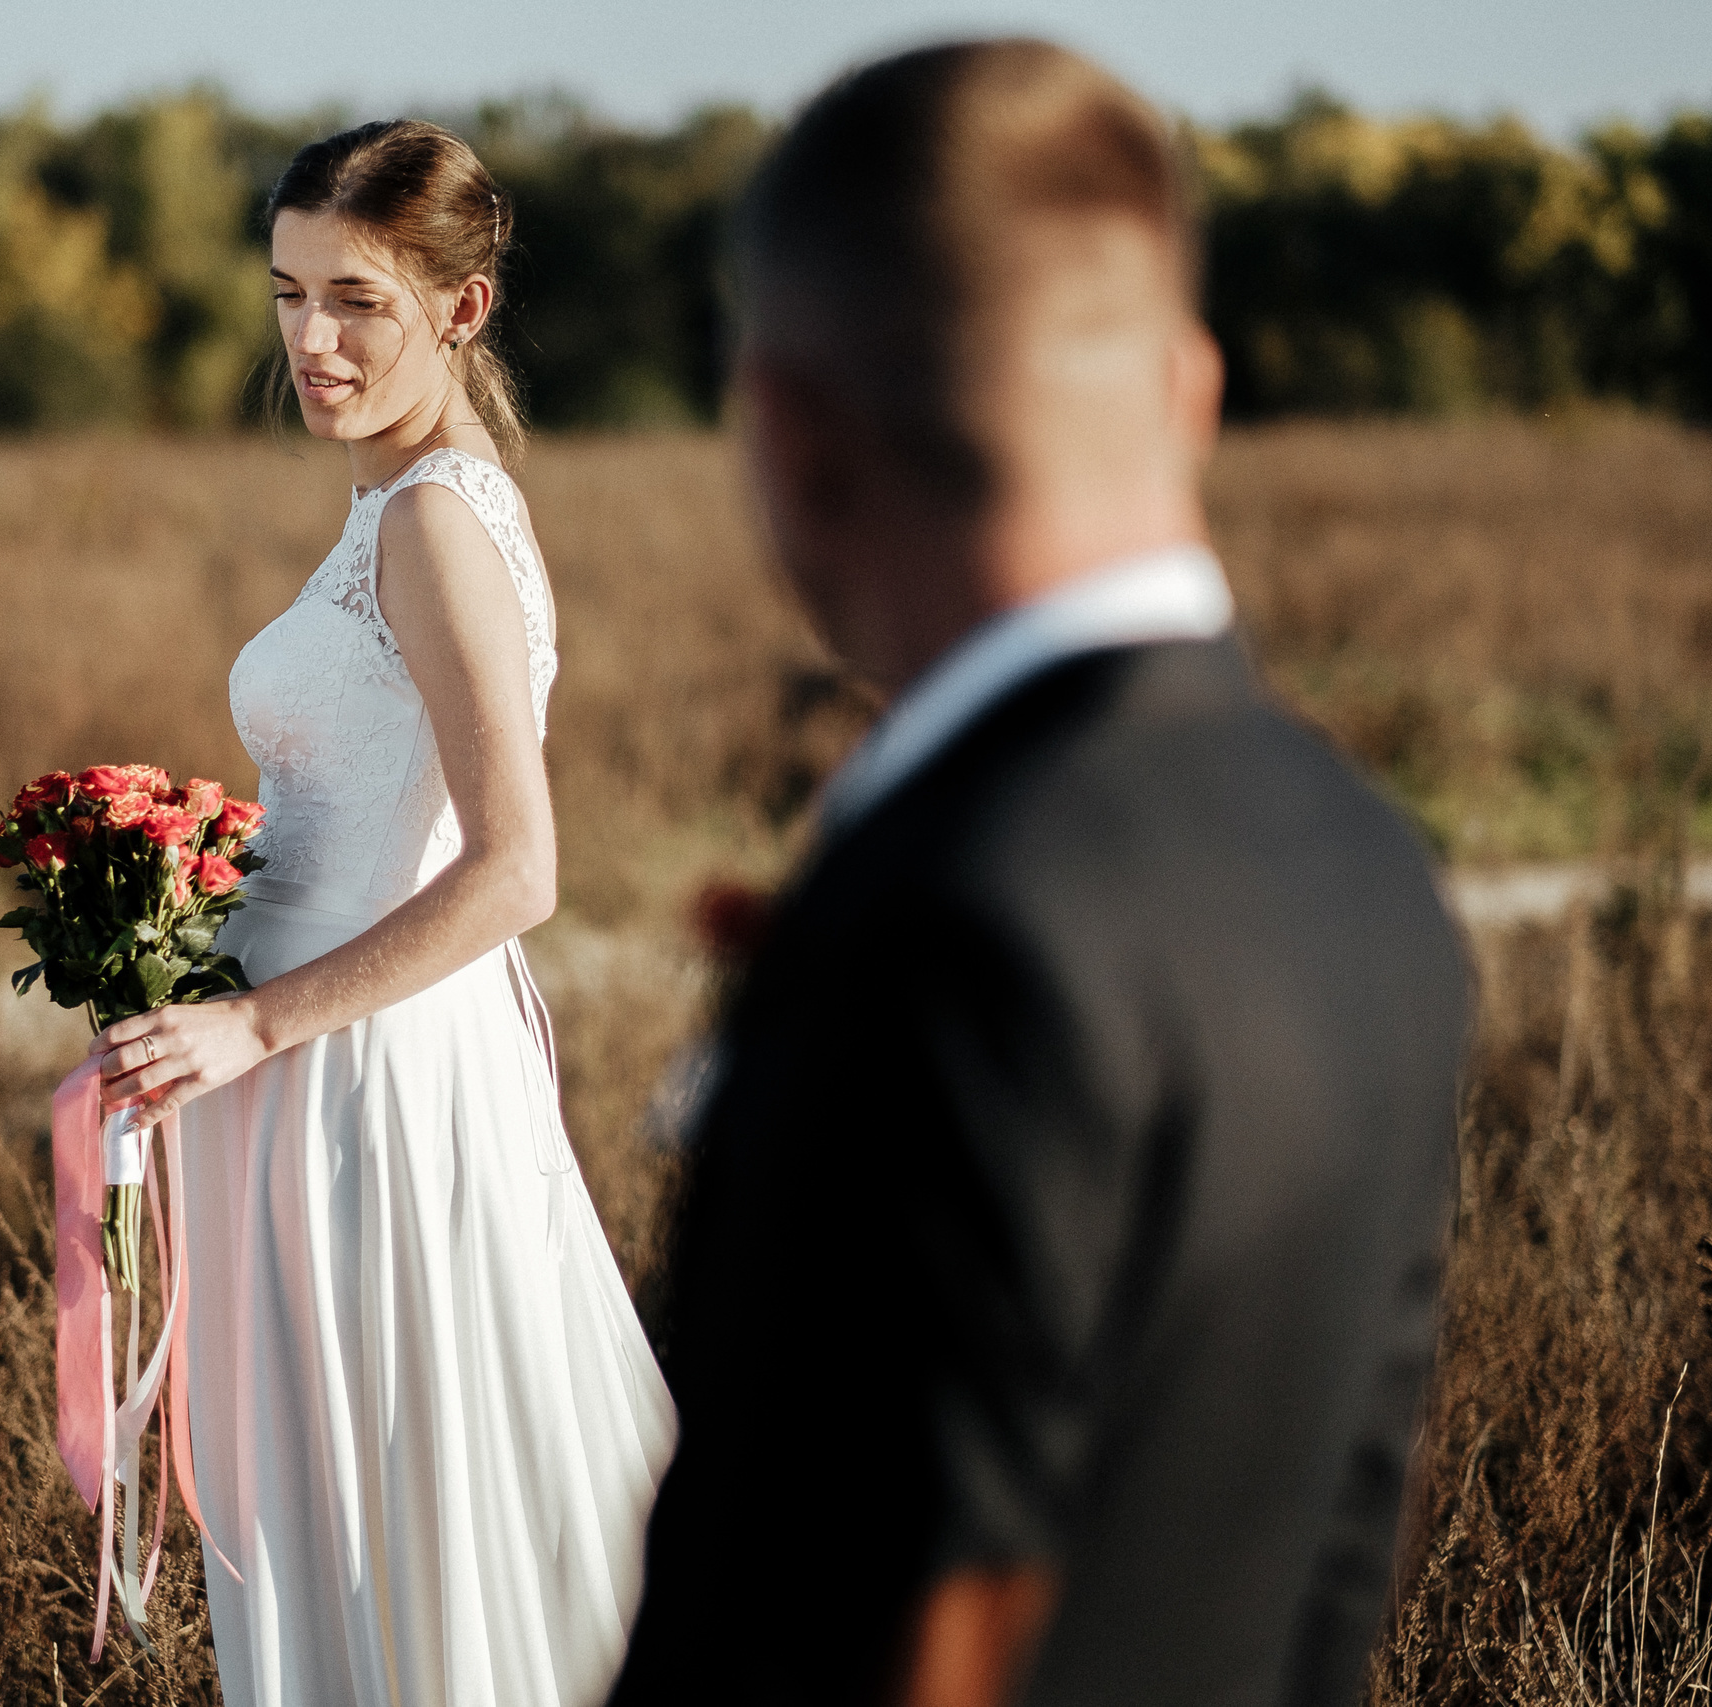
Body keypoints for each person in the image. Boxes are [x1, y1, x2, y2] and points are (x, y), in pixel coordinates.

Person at [608, 41, 1468, 1707]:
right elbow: (1338, 1568)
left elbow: (852, 1631)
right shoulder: (1365, 858)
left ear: (788, 433)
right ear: (1190, 389)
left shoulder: (951, 924)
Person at [85, 120, 676, 1707]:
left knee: (398, 1525)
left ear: (461, 312)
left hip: (369, 1089)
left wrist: (253, 1016)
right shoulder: (403, 505)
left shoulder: (433, 521)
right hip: (306, 1072)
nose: (312, 341)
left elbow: (516, 868)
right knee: (347, 1520)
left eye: (357, 300)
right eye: (288, 295)